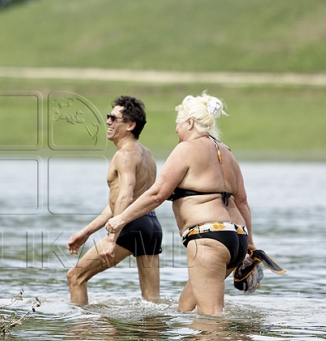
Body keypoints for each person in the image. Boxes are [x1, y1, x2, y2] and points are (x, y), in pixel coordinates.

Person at [105, 92, 255, 315]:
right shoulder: (226, 153)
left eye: (178, 124)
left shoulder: (186, 149)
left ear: (190, 123)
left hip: (209, 238)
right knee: (184, 308)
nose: (176, 129)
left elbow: (157, 194)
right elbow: (241, 201)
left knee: (210, 319)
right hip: (237, 238)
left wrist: (120, 219)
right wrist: (250, 247)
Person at [66, 95, 162, 305]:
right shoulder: (147, 155)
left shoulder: (124, 155)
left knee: (75, 277)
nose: (108, 121)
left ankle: (80, 332)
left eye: (113, 118)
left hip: (130, 225)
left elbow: (126, 196)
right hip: (151, 226)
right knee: (152, 301)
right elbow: (122, 202)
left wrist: (111, 239)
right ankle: (152, 336)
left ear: (130, 125)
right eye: (108, 117)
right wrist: (86, 232)